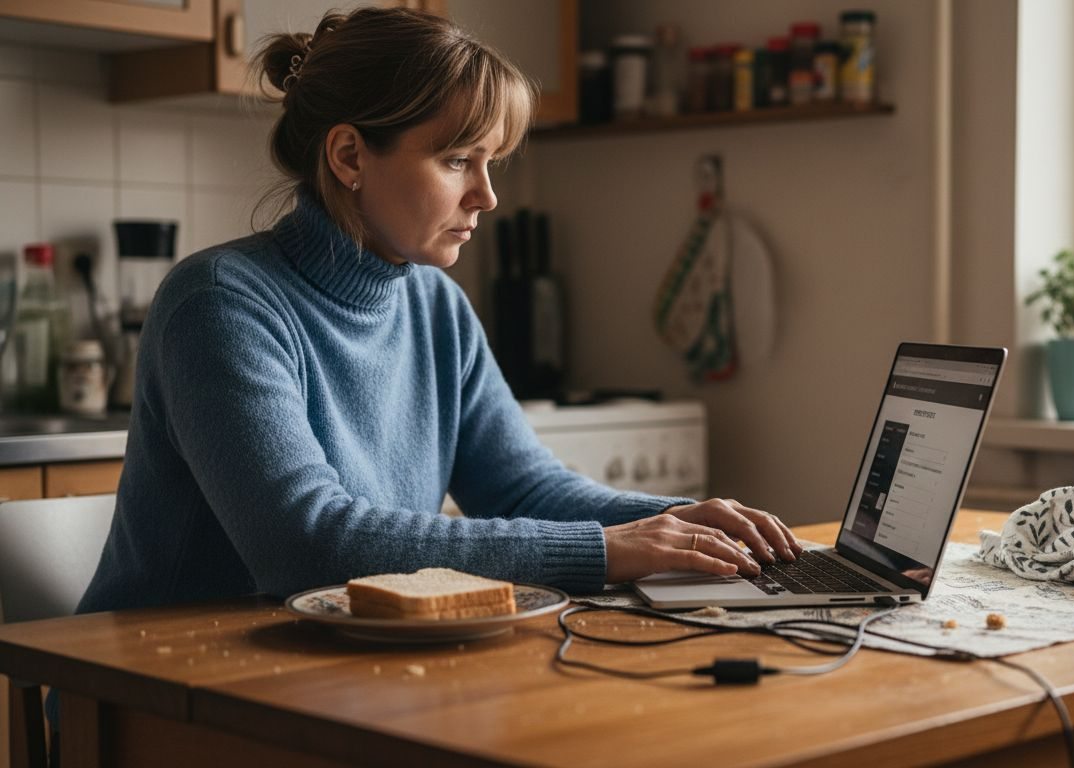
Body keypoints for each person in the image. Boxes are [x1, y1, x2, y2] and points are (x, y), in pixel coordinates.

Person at [76, 7, 801, 618]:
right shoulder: (220, 303)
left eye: (491, 163)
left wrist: (682, 522)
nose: (487, 195)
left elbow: (523, 489)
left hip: (330, 669)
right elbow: (308, 545)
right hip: (152, 689)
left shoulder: (434, 305)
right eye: (458, 160)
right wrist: (605, 550)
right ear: (350, 156)